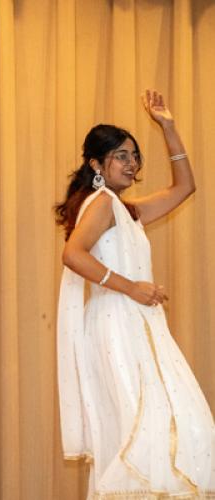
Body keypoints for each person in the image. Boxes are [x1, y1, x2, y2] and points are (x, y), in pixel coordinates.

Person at [55, 89, 215, 498]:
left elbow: (185, 187)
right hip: (117, 327)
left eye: (134, 155)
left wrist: (169, 127)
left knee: (178, 428)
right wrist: (132, 288)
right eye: (121, 156)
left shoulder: (126, 209)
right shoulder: (103, 203)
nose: (132, 163)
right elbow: (72, 255)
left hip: (137, 326)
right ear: (96, 163)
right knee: (138, 434)